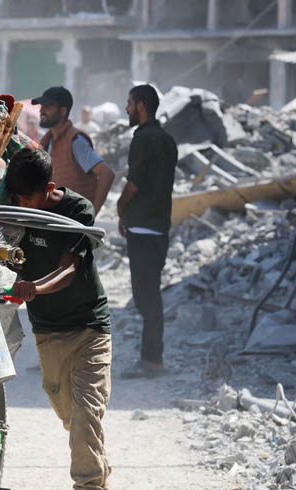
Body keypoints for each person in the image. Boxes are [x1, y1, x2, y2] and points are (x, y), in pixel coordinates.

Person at [6, 147, 120, 490]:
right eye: (16, 198)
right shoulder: (13, 197)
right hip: (48, 332)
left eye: (28, 200)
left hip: (89, 326)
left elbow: (72, 268)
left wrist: (35, 287)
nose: (21, 206)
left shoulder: (77, 209)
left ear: (50, 189)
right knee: (73, 423)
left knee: (88, 417)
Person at [116, 84, 177, 380]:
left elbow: (135, 182)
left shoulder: (143, 138)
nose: (126, 109)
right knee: (150, 293)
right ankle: (152, 357)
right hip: (160, 226)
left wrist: (120, 205)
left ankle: (153, 360)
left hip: (142, 225)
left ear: (141, 105)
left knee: (145, 296)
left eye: (129, 103)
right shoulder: (167, 140)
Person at [33, 86, 115, 214]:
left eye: (48, 106)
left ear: (63, 111)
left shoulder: (75, 142)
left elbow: (106, 174)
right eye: (42, 106)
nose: (42, 110)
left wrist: (92, 213)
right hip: (56, 218)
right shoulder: (47, 141)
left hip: (74, 221)